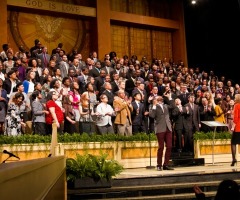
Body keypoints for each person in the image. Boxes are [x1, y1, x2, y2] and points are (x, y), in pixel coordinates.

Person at [149, 94, 174, 171]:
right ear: (154, 99)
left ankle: (165, 164)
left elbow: (173, 106)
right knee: (161, 147)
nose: (159, 97)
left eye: (160, 97)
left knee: (169, 146)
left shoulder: (165, 106)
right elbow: (152, 116)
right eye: (157, 97)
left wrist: (169, 97)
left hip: (168, 128)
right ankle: (159, 165)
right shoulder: (153, 106)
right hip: (160, 128)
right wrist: (154, 105)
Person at [231, 94, 240, 166]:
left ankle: (234, 159)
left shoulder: (237, 105)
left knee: (233, 143)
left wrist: (233, 127)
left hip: (238, 127)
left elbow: (236, 118)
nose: (234, 99)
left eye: (235, 98)